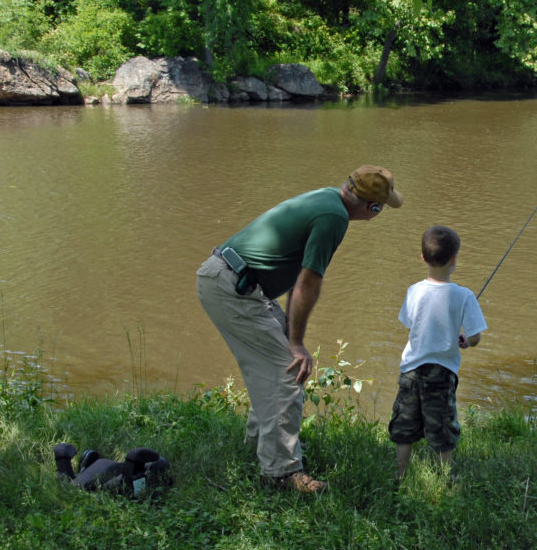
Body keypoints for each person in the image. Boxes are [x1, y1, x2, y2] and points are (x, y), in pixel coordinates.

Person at [196, 165, 403, 494]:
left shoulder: (327, 199)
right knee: (287, 369)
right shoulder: (334, 218)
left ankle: (260, 448)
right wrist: (296, 343)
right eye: (381, 207)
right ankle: (281, 472)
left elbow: (298, 277)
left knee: (274, 367)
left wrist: (291, 336)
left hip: (235, 282)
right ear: (372, 208)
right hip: (232, 288)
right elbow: (308, 284)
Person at [390, 225, 487, 478]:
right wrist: (466, 341)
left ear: (422, 257)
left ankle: (400, 474)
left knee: (404, 426)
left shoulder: (413, 290)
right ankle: (444, 478)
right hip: (441, 373)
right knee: (442, 427)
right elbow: (475, 337)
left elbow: (410, 324)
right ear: (454, 259)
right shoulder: (464, 296)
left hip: (410, 371)